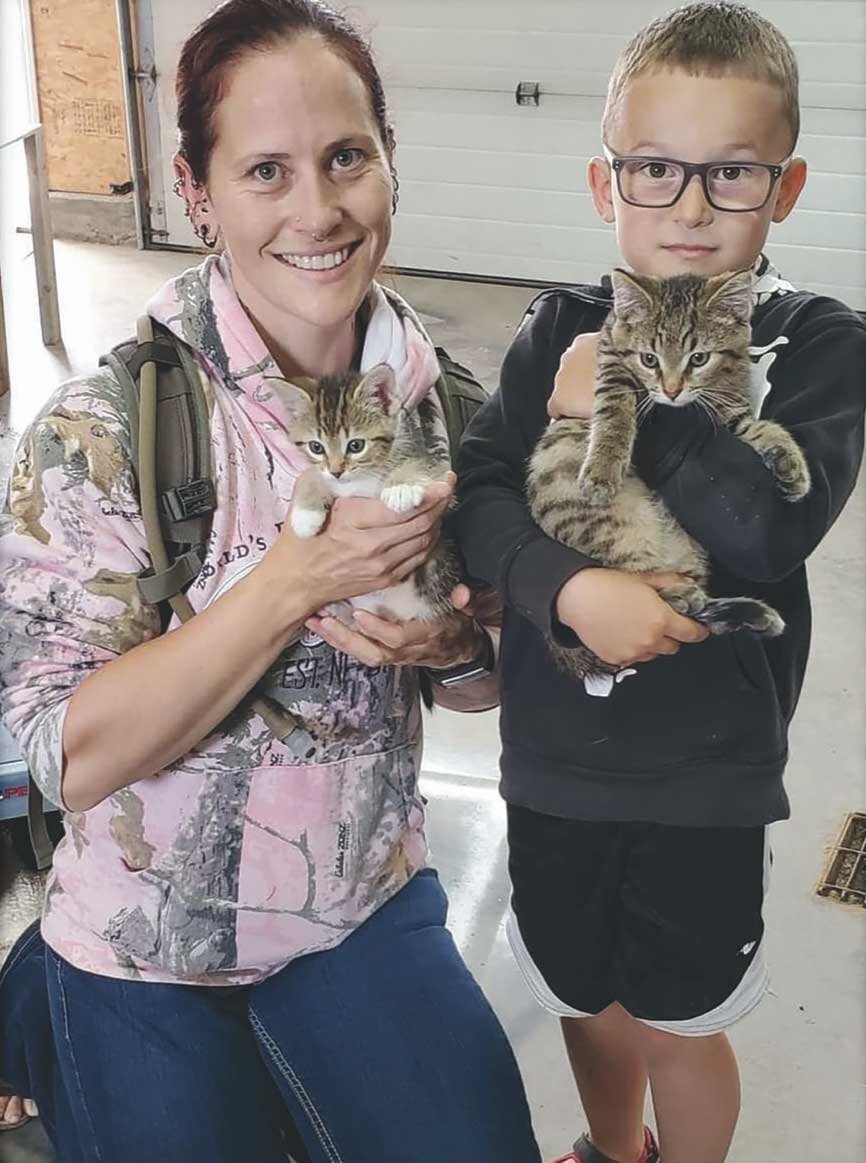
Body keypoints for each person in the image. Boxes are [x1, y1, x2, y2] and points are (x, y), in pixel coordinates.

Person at [0, 2, 542, 1160]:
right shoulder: (107, 432)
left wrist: (456, 649)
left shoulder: (454, 411)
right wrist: (290, 583)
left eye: (346, 157)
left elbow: (487, 681)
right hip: (142, 936)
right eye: (264, 171)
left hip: (355, 900)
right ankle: (42, 1008)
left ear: (389, 161)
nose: (316, 210)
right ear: (195, 194)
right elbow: (64, 754)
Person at [455, 4, 866, 1163]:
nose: (689, 206)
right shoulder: (557, 327)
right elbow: (480, 499)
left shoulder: (819, 346)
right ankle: (612, 1147)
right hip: (552, 759)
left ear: (782, 188)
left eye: (729, 171)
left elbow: (766, 528)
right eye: (654, 168)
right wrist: (563, 588)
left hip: (706, 779)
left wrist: (630, 400)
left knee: (679, 1022)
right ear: (606, 184)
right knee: (584, 997)